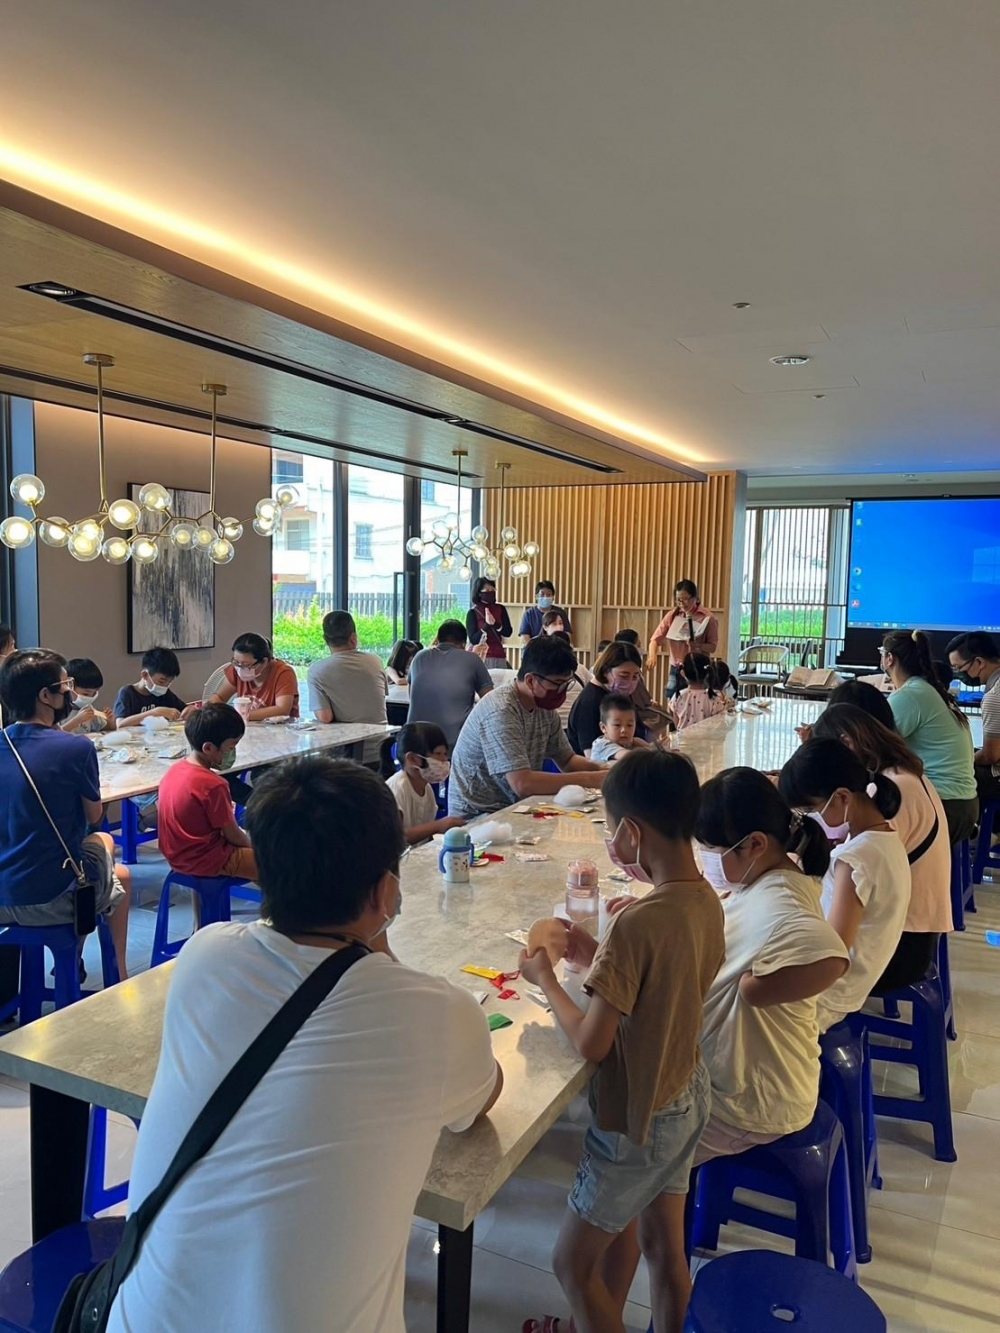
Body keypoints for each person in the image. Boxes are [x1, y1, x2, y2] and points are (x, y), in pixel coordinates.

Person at [106, 756, 502, 1333]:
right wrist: (376, 929)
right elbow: (481, 1101)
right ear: (387, 890)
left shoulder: (203, 956)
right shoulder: (438, 1014)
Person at [519, 750, 724, 1333]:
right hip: (686, 1091)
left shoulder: (638, 921)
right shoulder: (704, 897)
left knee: (572, 1265)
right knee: (665, 1249)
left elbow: (592, 1043)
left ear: (631, 833)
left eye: (611, 832)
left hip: (639, 1116)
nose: (612, 843)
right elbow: (662, 986)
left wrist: (545, 978)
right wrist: (598, 957)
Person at [695, 768, 849, 1163]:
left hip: (749, 1106)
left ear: (755, 844)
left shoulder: (783, 905)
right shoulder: (765, 878)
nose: (706, 859)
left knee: (628, 1147)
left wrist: (757, 988)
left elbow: (831, 953)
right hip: (743, 1084)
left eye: (711, 849)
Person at [0, 650, 130, 979]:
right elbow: (94, 815)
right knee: (105, 845)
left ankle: (70, 963)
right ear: (46, 696)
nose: (70, 692)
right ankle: (117, 975)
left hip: (3, 895)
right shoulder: (75, 748)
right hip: (49, 896)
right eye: (66, 685)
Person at [812, 704, 952, 991]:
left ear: (847, 744)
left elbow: (858, 863)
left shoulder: (892, 792)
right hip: (906, 929)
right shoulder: (900, 775)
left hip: (903, 945)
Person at [779, 738, 910, 1031]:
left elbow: (832, 954)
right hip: (850, 985)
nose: (808, 818)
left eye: (810, 809)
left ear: (841, 797)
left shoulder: (855, 860)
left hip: (827, 998)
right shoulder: (881, 837)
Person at [448, 635, 607, 819]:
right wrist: (593, 779)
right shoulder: (501, 711)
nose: (562, 692)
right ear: (531, 680)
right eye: (558, 684)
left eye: (567, 684)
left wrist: (607, 769)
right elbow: (523, 784)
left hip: (515, 808)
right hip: (475, 817)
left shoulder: (544, 708)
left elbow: (568, 760)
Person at [881, 629, 978, 843]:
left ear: (889, 659)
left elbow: (874, 745)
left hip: (942, 805)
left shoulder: (910, 695)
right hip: (961, 805)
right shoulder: (927, 690)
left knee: (863, 816)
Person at [156, 704, 258, 882]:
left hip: (175, 855)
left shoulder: (175, 770)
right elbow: (233, 835)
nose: (232, 753)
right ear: (208, 748)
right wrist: (256, 848)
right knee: (277, 863)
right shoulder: (213, 784)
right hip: (203, 859)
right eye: (230, 748)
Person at [406, 619, 493, 748]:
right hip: (452, 744)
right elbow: (490, 702)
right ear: (463, 644)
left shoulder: (419, 656)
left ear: (438, 640)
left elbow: (411, 693)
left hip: (413, 741)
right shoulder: (472, 659)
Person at [378, 721, 465, 844]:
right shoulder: (398, 788)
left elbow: (425, 836)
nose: (444, 760)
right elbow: (397, 837)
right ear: (413, 759)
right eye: (438, 754)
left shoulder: (427, 789)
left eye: (445, 754)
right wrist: (439, 825)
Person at [303, 612, 386, 725]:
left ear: (325, 639)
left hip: (345, 736)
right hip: (381, 734)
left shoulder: (317, 671)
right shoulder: (375, 661)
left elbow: (325, 717)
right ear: (353, 638)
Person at [947, 631, 1000, 808]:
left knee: (947, 772)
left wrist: (963, 759)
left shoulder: (994, 696)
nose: (959, 674)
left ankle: (961, 820)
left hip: (997, 778)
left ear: (979, 662)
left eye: (959, 668)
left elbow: (991, 755)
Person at [567, 641, 645, 756]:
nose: (630, 682)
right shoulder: (589, 702)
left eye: (635, 676)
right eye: (624, 676)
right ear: (605, 671)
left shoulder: (618, 694)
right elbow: (591, 755)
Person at [646, 580, 720, 697]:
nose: (682, 603)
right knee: (674, 699)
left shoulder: (708, 617)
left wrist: (698, 645)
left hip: (699, 668)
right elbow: (655, 639)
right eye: (678, 600)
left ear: (695, 597)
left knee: (700, 700)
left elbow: (712, 647)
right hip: (677, 666)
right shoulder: (672, 615)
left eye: (685, 599)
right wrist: (652, 656)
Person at [210, 632, 300, 722]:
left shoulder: (283, 673)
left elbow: (282, 709)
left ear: (264, 662)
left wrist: (240, 716)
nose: (240, 669)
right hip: (247, 726)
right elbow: (220, 697)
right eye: (236, 662)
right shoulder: (236, 669)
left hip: (279, 727)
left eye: (247, 665)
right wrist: (210, 709)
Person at [115, 647, 197, 728]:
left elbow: (184, 708)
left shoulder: (165, 694)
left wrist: (190, 709)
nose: (165, 686)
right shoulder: (127, 693)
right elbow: (120, 724)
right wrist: (155, 712)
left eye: (169, 682)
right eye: (161, 681)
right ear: (145, 675)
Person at [615, 630, 672, 738]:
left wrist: (648, 701)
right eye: (639, 645)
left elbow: (641, 696)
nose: (641, 649)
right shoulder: (622, 670)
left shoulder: (634, 669)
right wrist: (646, 703)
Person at [670, 652, 729, 731]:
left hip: (683, 738)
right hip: (706, 739)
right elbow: (719, 726)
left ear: (683, 673)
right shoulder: (714, 699)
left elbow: (677, 724)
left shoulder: (677, 696)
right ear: (708, 674)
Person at [466, 576, 513, 668]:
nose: (490, 592)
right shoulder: (473, 612)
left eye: (492, 589)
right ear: (479, 593)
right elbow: (473, 639)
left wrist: (495, 624)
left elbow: (508, 632)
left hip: (500, 655)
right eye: (487, 590)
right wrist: (487, 625)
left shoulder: (501, 608)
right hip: (481, 656)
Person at [591, 693, 651, 763]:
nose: (624, 730)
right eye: (617, 725)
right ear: (603, 727)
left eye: (629, 725)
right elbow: (630, 757)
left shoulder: (633, 741)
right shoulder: (602, 745)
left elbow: (651, 748)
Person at [61, 657, 114, 734]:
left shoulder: (88, 709)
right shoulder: (59, 710)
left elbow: (108, 728)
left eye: (94, 693)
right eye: (85, 694)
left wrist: (110, 720)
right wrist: (77, 720)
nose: (90, 697)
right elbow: (53, 735)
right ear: (69, 685)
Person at [519, 580, 573, 644]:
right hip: (535, 648)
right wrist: (536, 648)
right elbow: (524, 637)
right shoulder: (528, 614)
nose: (545, 597)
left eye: (549, 594)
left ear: (553, 597)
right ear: (536, 597)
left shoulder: (560, 612)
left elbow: (567, 634)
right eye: (542, 594)